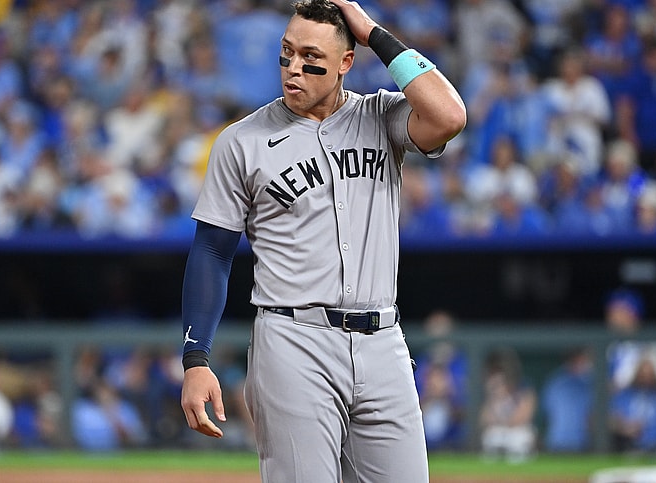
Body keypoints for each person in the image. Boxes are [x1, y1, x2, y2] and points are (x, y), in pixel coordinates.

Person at [179, 0, 466, 481]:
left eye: (311, 57)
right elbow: (211, 252)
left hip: (383, 343)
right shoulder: (241, 141)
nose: (293, 68)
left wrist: (371, 30)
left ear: (345, 63)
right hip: (294, 340)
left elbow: (449, 116)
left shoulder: (381, 115)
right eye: (286, 53)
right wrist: (195, 358)